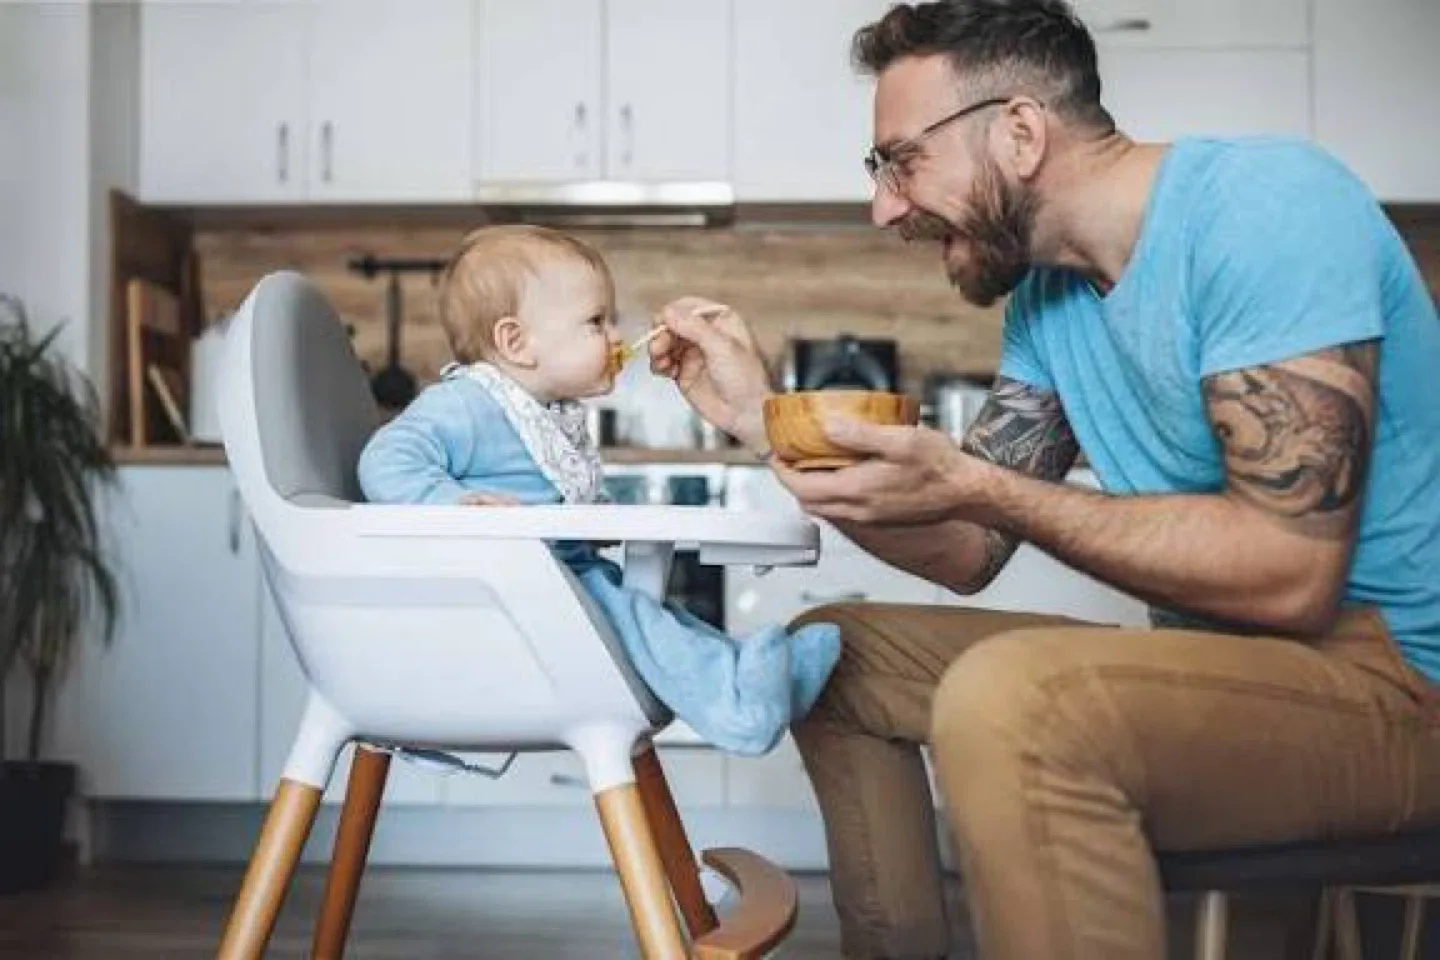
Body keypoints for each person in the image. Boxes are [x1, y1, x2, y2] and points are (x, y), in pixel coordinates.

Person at [645, 1, 1440, 956]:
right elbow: (966, 549)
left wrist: (984, 486)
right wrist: (754, 417)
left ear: (1021, 132)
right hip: (1238, 669)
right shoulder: (1047, 300)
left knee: (1016, 698)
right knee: (834, 662)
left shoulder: (1267, 206)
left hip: (1398, 687)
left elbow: (1287, 571)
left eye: (901, 161)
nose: (885, 207)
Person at [357, 225, 840, 757]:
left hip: (561, 581)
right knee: (639, 618)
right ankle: (737, 709)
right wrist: (452, 504)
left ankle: (758, 678)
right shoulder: (466, 404)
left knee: (660, 617)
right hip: (516, 600)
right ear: (516, 342)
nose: (615, 336)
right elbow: (384, 458)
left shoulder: (550, 415)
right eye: (596, 322)